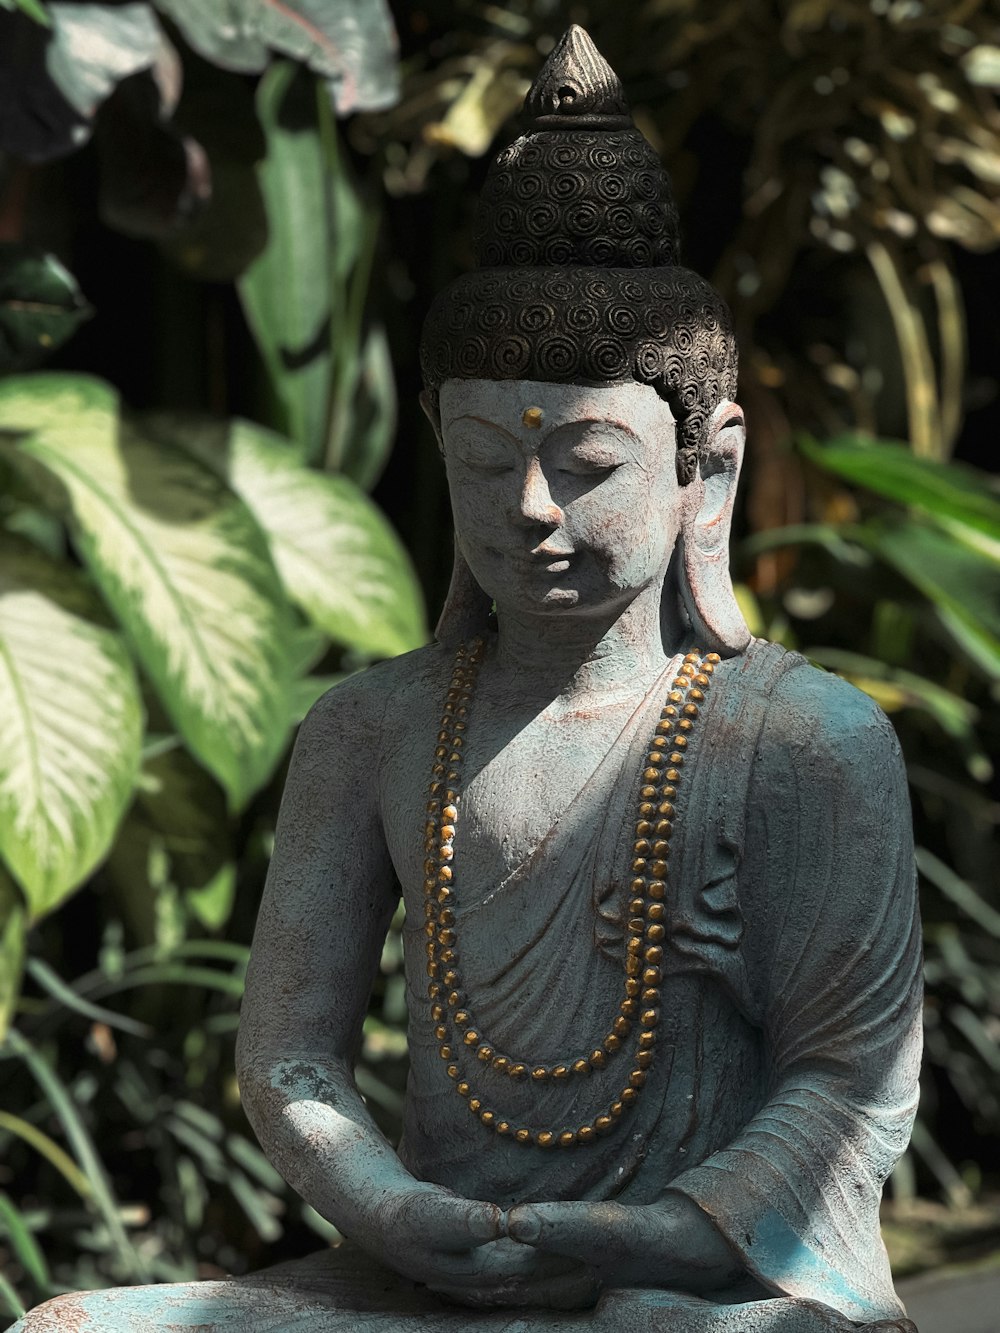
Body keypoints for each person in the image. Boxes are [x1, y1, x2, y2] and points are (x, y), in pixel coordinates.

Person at [14, 26, 921, 1333]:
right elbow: (289, 1051)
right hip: (440, 1280)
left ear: (703, 470)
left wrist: (658, 1232)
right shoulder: (372, 728)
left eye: (590, 461)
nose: (533, 508)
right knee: (75, 1330)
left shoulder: (805, 740)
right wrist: (389, 1207)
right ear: (440, 445)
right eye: (488, 459)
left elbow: (853, 1084)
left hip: (712, 1284)